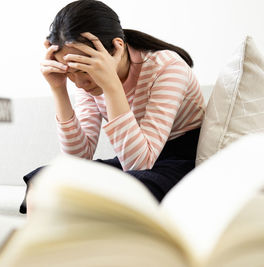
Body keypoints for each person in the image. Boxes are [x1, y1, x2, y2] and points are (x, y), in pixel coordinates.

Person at [19, 0, 205, 214]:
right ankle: (42, 244)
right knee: (44, 180)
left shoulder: (167, 67)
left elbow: (140, 165)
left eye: (83, 71)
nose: (79, 83)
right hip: (131, 158)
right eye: (70, 73)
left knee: (129, 190)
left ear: (117, 46)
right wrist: (58, 89)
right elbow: (77, 160)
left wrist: (111, 85)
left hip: (179, 160)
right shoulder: (86, 79)